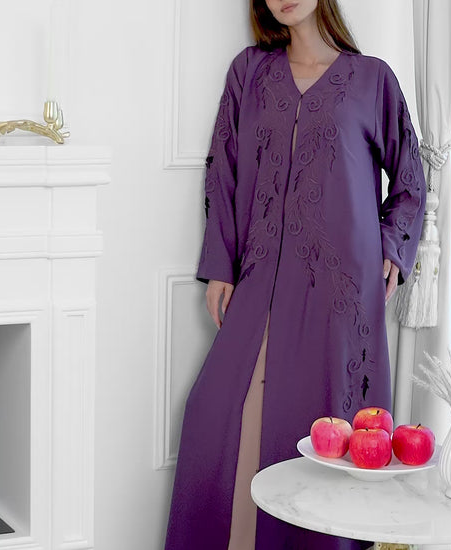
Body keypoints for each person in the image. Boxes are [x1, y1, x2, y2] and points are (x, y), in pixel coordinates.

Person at [164, 0, 426, 549]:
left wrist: (391, 249)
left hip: (343, 289)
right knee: (215, 414)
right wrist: (221, 264)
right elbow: (223, 168)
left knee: (323, 435)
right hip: (259, 275)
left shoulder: (372, 79)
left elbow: (410, 178)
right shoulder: (250, 71)